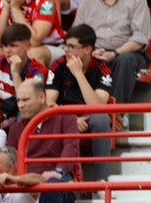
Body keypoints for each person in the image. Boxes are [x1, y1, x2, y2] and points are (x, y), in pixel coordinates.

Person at [76, 0, 151, 106]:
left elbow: (139, 39)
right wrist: (89, 51)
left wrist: (114, 53)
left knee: (126, 60)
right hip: (94, 52)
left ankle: (116, 113)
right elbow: (76, 34)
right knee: (72, 58)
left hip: (126, 53)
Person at [45, 26, 115, 177]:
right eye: (65, 45)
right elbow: (49, 102)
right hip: (63, 117)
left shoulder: (103, 69)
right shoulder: (58, 66)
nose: (66, 50)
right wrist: (71, 120)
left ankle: (101, 181)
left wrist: (78, 73)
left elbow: (98, 107)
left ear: (87, 49)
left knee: (101, 119)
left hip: (89, 117)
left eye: (72, 46)